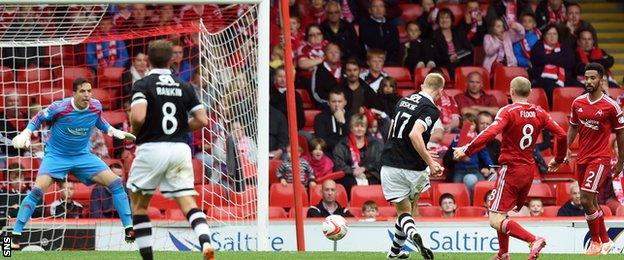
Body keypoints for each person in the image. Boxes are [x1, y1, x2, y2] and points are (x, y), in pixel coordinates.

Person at [8, 78, 136, 249]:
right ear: (74, 93)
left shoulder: (95, 106)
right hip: (56, 157)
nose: (87, 95)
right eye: (82, 91)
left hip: (82, 156)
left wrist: (113, 131)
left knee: (116, 182)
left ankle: (128, 228)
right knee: (37, 190)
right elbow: (39, 116)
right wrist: (26, 133)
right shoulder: (60, 107)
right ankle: (14, 236)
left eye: (89, 91)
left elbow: (99, 120)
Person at [454, 76, 567, 260]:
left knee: (495, 219)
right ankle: (503, 253)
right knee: (502, 212)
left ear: (511, 92)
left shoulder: (508, 111)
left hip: (511, 169)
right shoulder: (539, 112)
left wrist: (467, 149)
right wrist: (559, 158)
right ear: (529, 93)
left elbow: (490, 132)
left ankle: (533, 240)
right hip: (528, 170)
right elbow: (562, 134)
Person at [126, 40, 213, 260]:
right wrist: (181, 128)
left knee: (138, 204)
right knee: (187, 202)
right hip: (180, 149)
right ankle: (206, 242)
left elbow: (137, 116)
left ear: (147, 59)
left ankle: (147, 257)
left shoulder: (143, 84)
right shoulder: (184, 85)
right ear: (172, 59)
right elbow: (202, 119)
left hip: (152, 147)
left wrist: (137, 131)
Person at [381, 73, 446, 260]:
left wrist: (423, 150)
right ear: (440, 91)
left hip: (390, 163)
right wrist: (430, 161)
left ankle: (395, 252)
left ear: (423, 84)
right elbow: (414, 135)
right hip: (414, 168)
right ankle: (412, 235)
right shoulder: (431, 109)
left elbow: (396, 131)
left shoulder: (402, 101)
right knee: (408, 211)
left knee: (403, 213)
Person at [565, 62, 624, 255]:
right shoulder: (578, 103)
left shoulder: (611, 106)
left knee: (585, 199)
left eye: (593, 78)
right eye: (586, 77)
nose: (588, 81)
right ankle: (606, 240)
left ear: (601, 80)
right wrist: (566, 148)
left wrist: (621, 161)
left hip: (600, 159)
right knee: (592, 201)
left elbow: (621, 135)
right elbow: (573, 126)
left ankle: (596, 242)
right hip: (582, 158)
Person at [333, 113, 383, 195]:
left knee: (377, 184)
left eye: (362, 126)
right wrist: (353, 171)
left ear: (366, 128)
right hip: (350, 176)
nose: (359, 129)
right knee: (348, 183)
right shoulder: (342, 144)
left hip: (370, 175)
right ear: (351, 128)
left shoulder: (375, 144)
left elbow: (379, 162)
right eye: (356, 126)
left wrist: (364, 168)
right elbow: (339, 164)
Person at [530, 24, 575, 107]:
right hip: (542, 80)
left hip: (563, 79)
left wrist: (549, 57)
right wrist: (559, 56)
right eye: (549, 34)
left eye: (554, 34)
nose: (552, 37)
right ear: (544, 36)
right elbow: (540, 59)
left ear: (558, 36)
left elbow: (570, 62)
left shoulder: (564, 47)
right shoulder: (538, 46)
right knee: (553, 88)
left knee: (581, 88)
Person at [358, 0, 400, 65]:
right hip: (371, 60)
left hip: (389, 61)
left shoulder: (392, 27)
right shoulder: (364, 25)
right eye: (375, 6)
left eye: (381, 6)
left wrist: (386, 58)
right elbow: (372, 44)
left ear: (385, 10)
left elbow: (395, 47)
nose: (378, 9)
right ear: (370, 10)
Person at [314, 89, 350, 155]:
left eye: (340, 101)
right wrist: (342, 145)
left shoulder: (351, 116)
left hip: (348, 153)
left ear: (345, 102)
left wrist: (343, 122)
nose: (337, 105)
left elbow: (353, 138)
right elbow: (322, 140)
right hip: (328, 153)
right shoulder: (320, 117)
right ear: (328, 103)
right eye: (334, 101)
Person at [311, 43, 343, 107]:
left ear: (340, 54)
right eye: (330, 52)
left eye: (336, 52)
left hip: (345, 104)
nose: (333, 54)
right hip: (325, 105)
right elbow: (316, 93)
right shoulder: (319, 69)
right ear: (325, 55)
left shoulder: (345, 68)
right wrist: (331, 103)